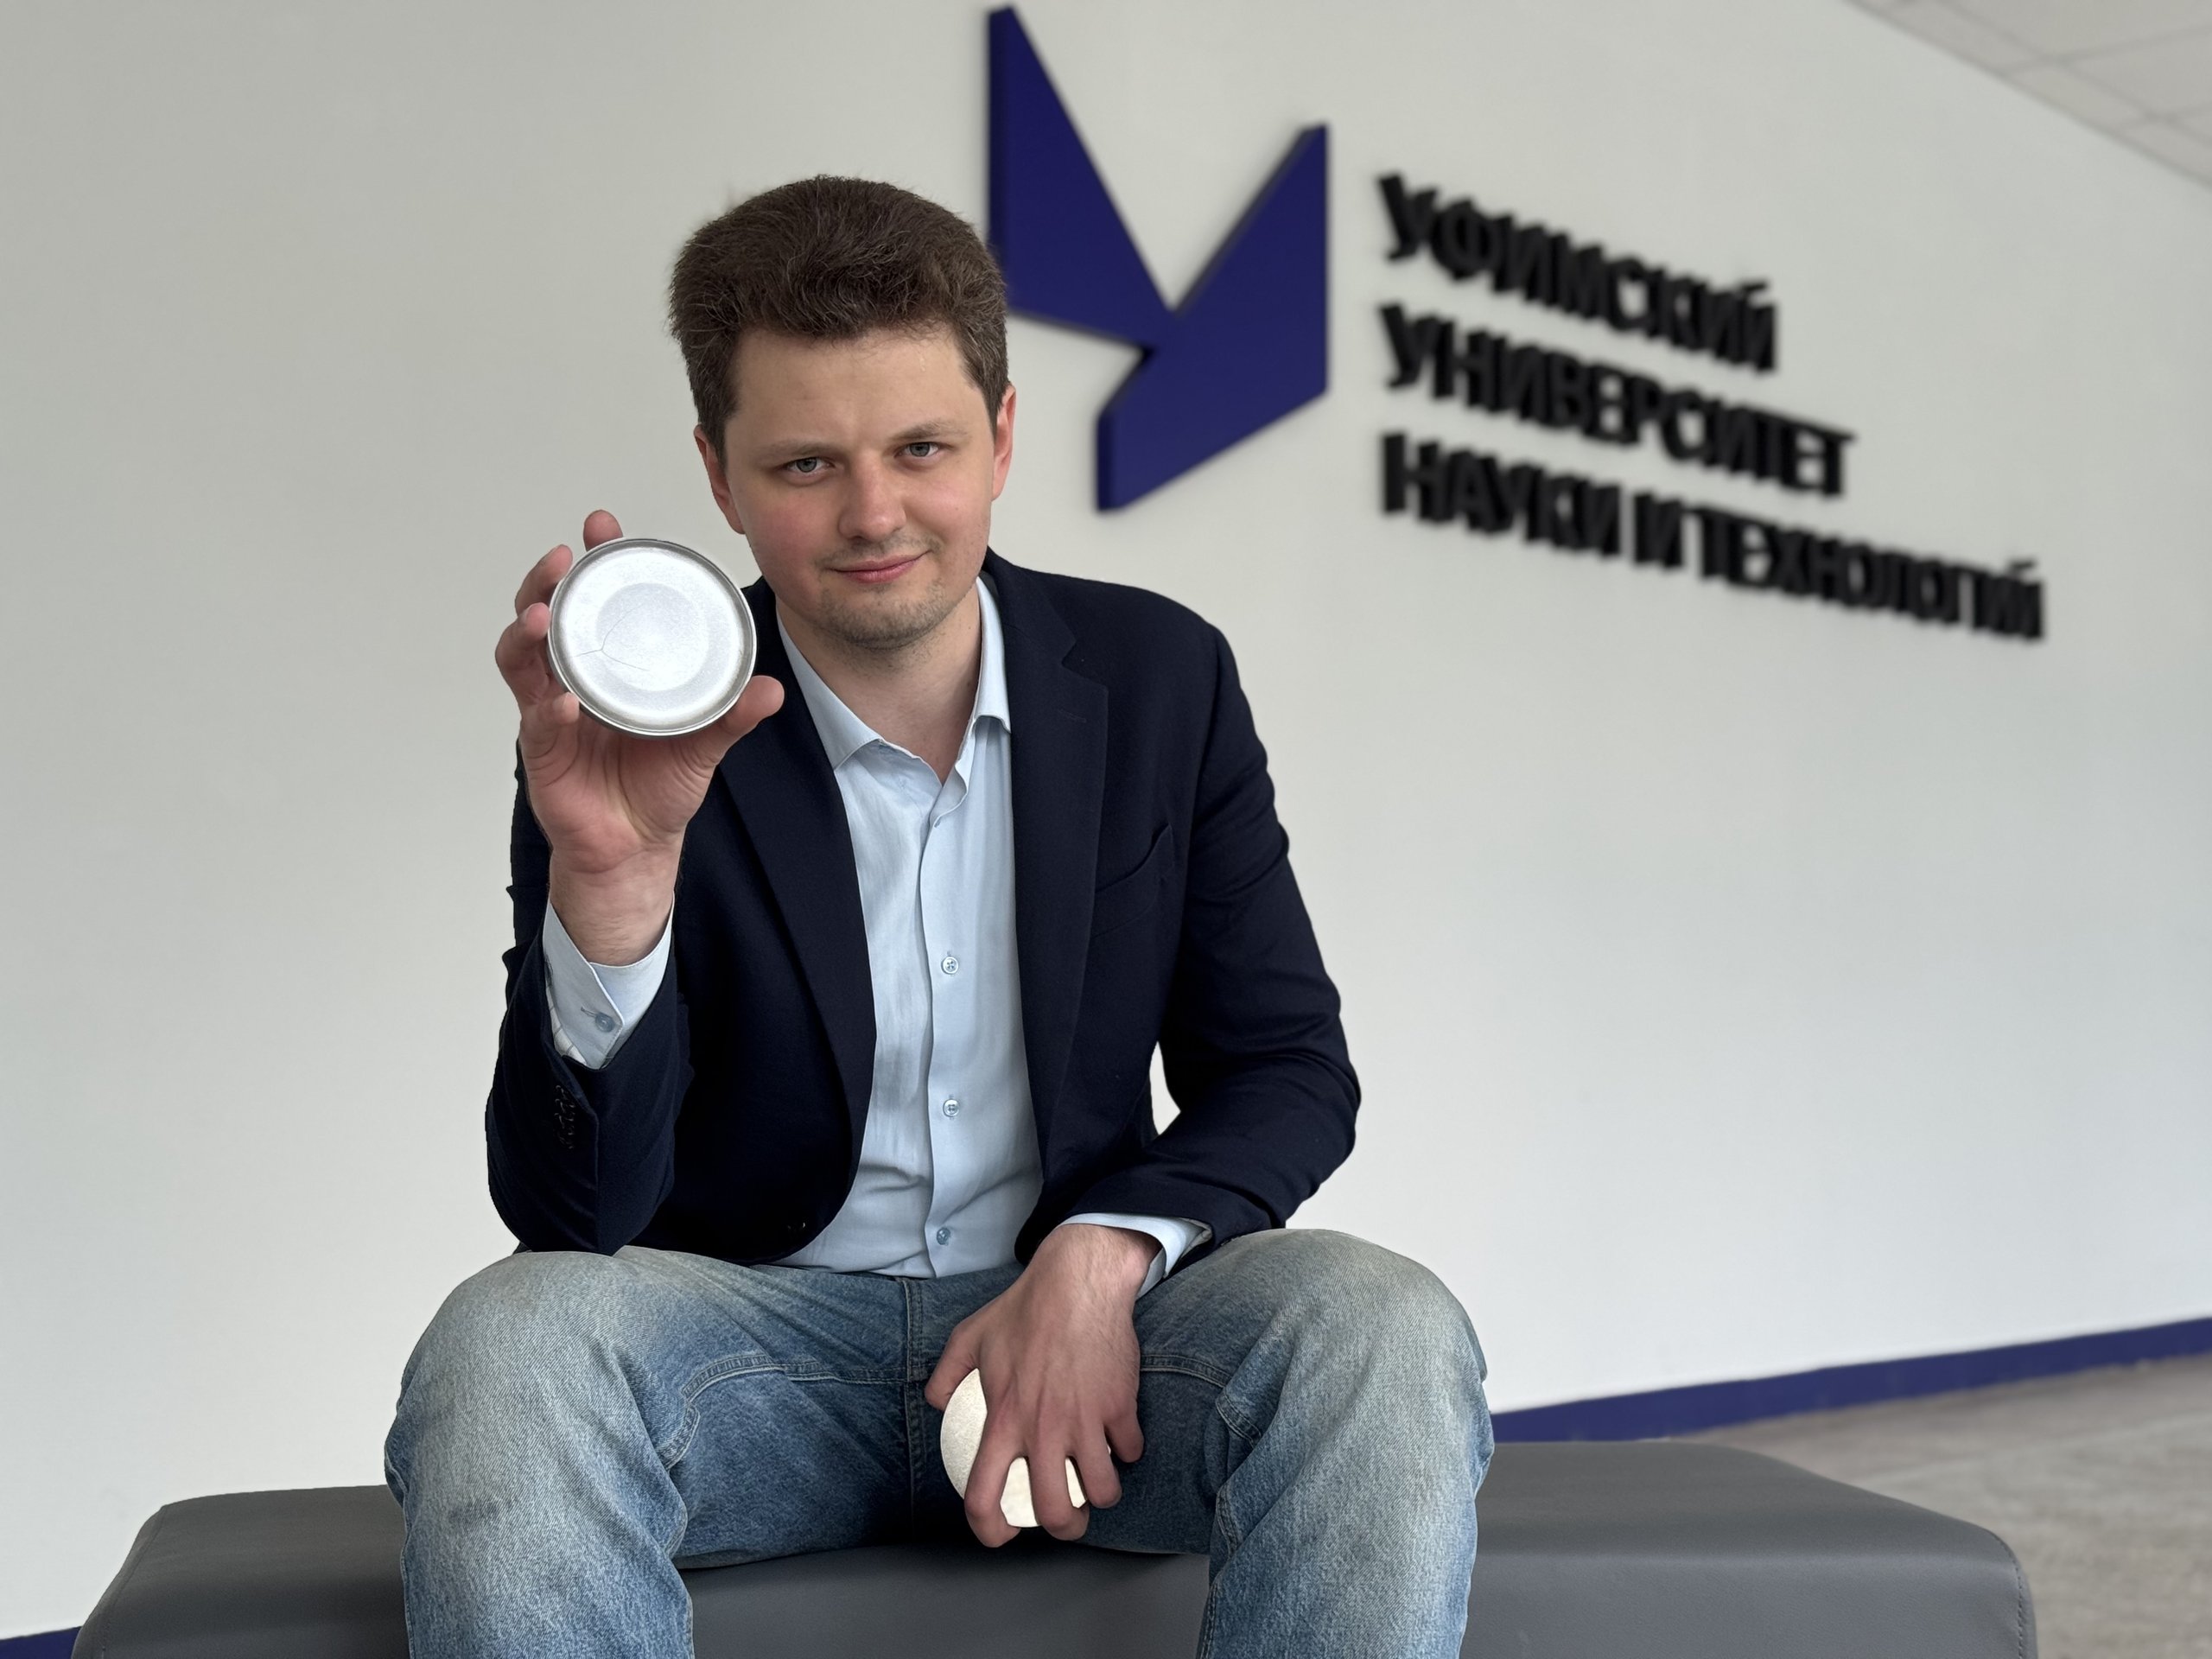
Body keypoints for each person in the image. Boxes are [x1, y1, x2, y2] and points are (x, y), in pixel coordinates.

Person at [384, 175, 1491, 1659]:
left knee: (1379, 1325)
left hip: (1095, 1352)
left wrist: (1103, 1253)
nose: (873, 515)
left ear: (1004, 436)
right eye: (805, 464)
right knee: (508, 1345)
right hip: (752, 1359)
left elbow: (1288, 1065)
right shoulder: (633, 723)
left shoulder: (1162, 678)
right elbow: (573, 1224)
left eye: (921, 448)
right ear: (718, 476)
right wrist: (614, 892)